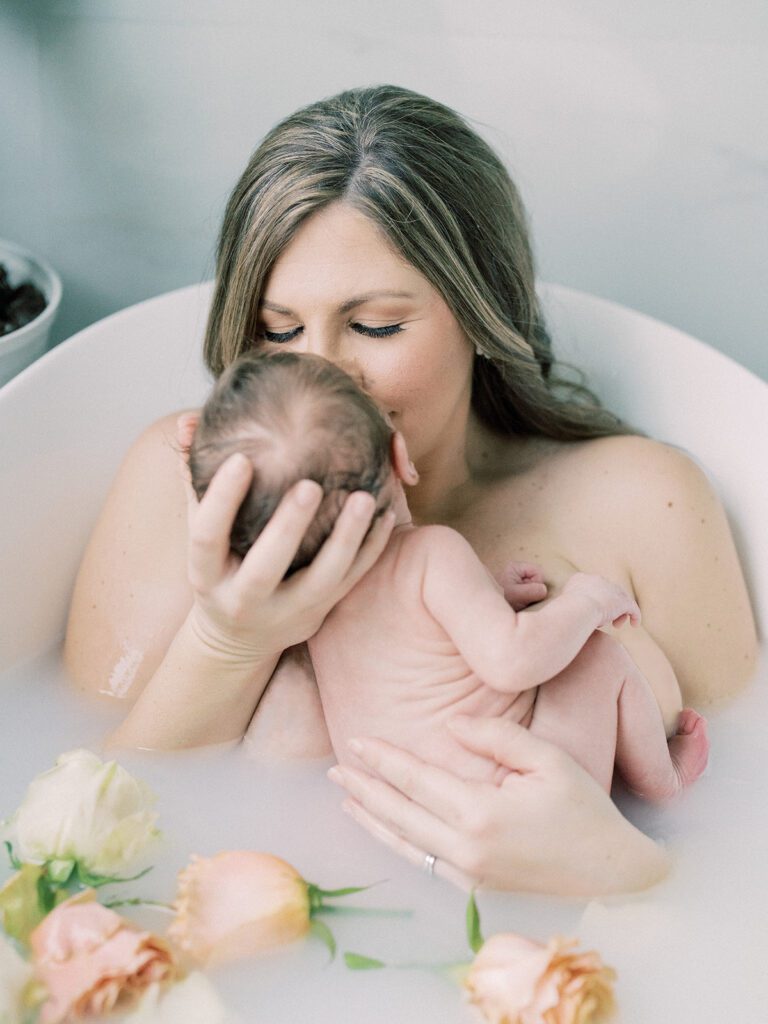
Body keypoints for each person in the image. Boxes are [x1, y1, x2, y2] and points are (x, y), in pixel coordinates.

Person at [64, 85, 757, 895]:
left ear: (482, 309)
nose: (318, 369)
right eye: (278, 330)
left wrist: (624, 870)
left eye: (377, 326)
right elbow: (91, 828)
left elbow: (744, 810)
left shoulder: (644, 503)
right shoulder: (183, 488)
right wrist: (232, 638)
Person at [189, 349, 709, 802]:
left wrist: (492, 596)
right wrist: (586, 600)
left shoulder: (313, 609)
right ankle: (666, 778)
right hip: (526, 791)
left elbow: (419, 647)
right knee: (595, 654)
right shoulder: (431, 552)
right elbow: (511, 663)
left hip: (414, 809)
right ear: (401, 457)